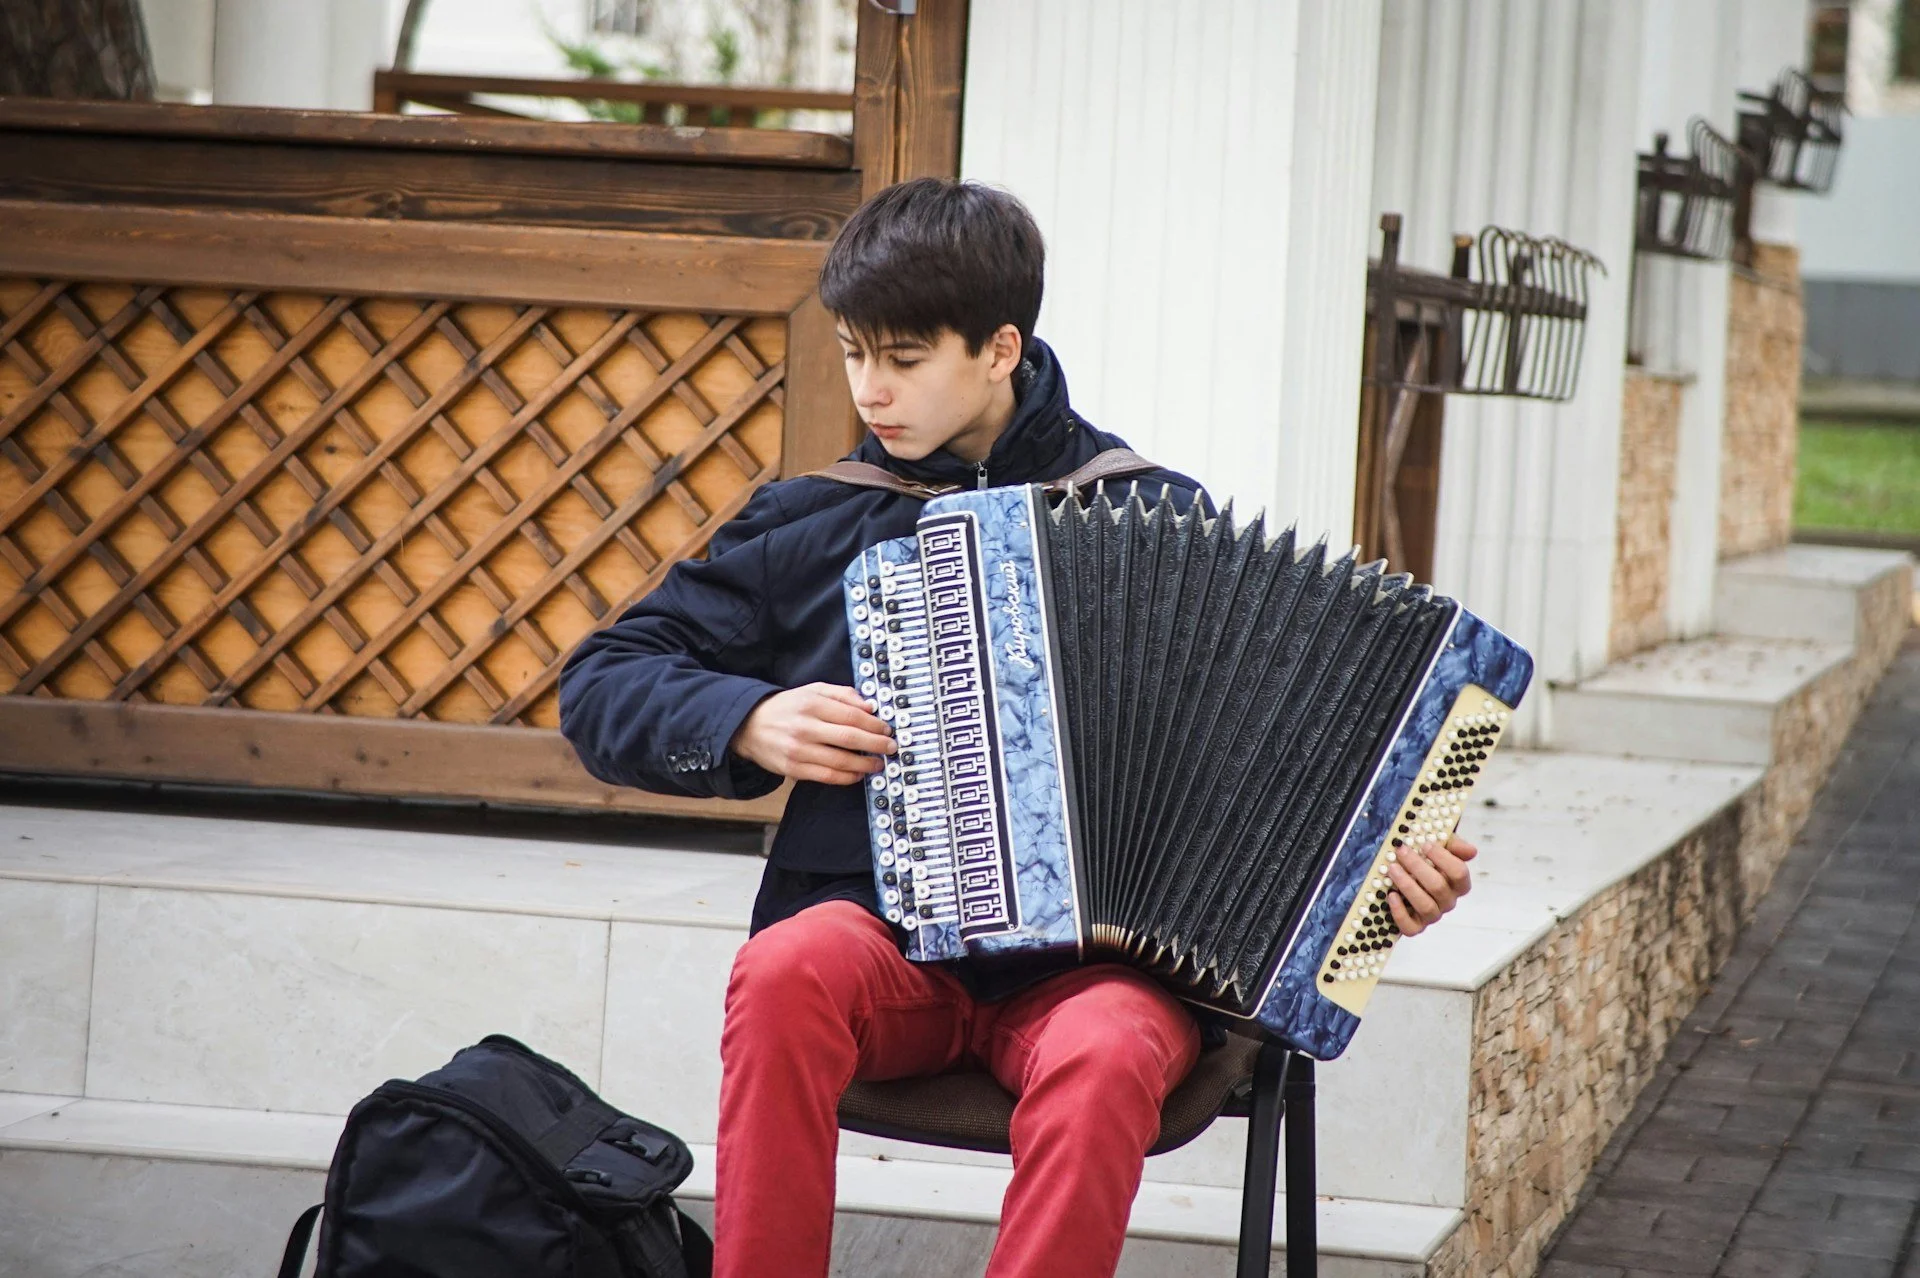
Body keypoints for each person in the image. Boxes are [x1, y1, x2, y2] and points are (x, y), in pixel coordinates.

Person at [558, 177, 1478, 1278]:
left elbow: (1295, 772)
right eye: (854, 354)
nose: (870, 390)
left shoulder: (1151, 519)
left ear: (999, 348)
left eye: (903, 359)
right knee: (782, 973)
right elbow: (603, 680)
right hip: (886, 945)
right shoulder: (816, 522)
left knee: (1106, 1049)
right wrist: (749, 717)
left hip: (1090, 978)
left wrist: (1387, 879)